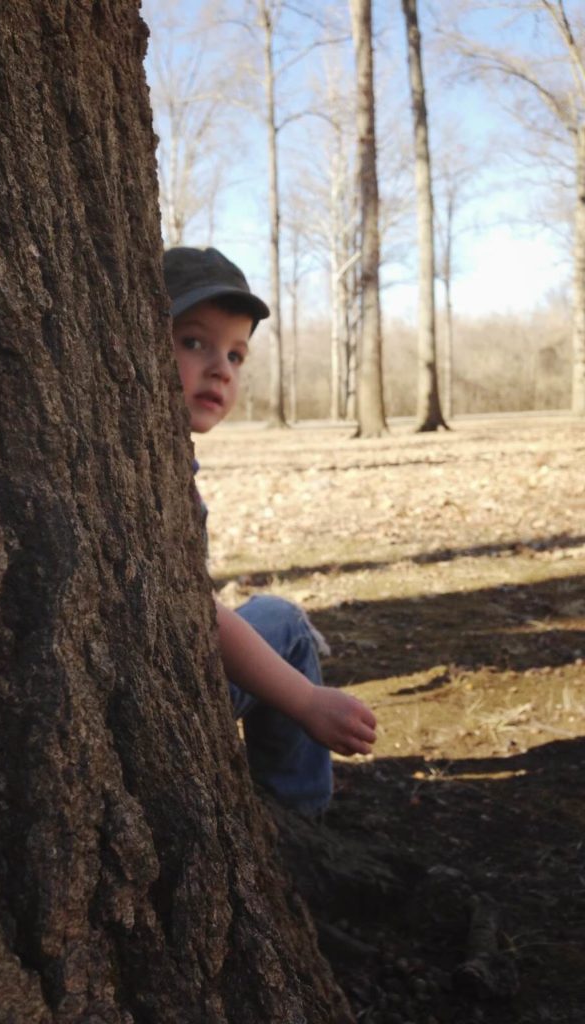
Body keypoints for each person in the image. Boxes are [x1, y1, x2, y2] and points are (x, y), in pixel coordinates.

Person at [163, 246, 377, 816]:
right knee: (283, 621)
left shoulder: (161, 459)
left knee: (276, 618)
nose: (221, 368)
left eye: (236, 354)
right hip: (158, 696)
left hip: (162, 678)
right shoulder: (145, 465)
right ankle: (298, 813)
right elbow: (192, 610)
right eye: (193, 342)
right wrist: (306, 700)